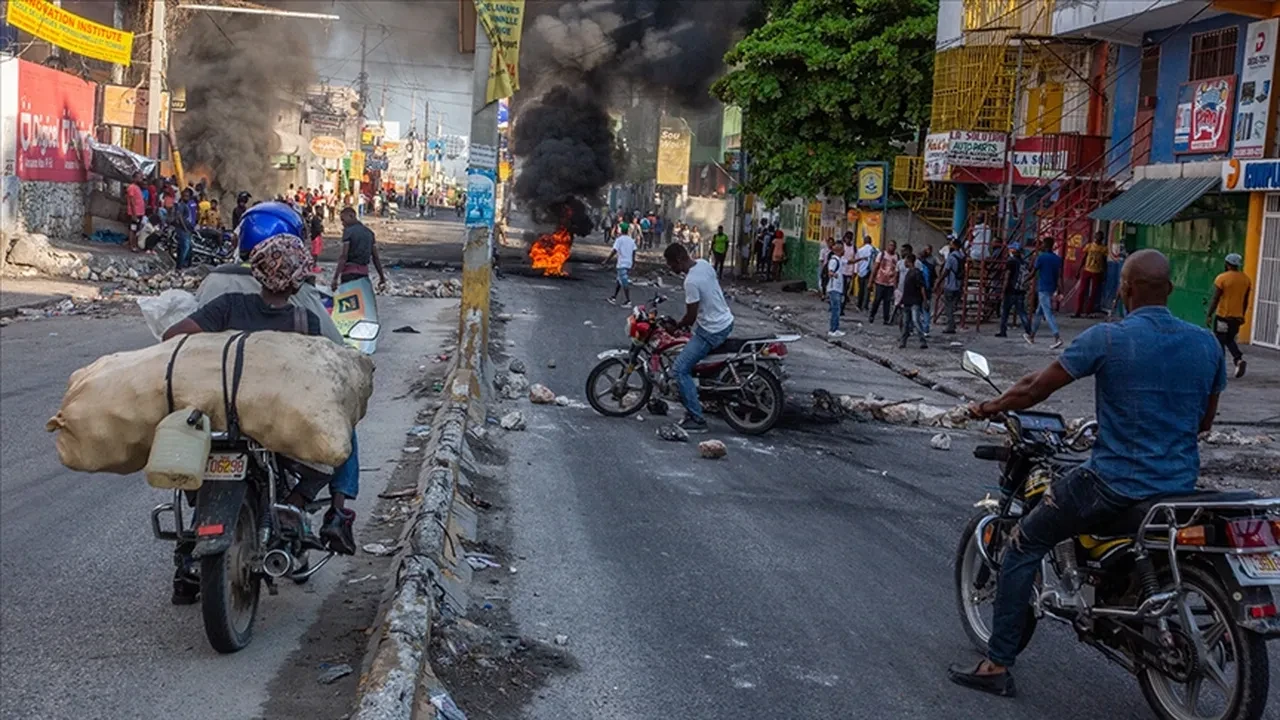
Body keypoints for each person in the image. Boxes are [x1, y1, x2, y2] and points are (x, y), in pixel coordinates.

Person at [948, 249, 1227, 699]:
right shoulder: (1206, 344)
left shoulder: (1108, 338)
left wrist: (989, 405)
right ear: (1170, 290)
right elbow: (1203, 423)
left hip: (1114, 483)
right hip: (1178, 487)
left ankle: (996, 663)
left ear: (1125, 289)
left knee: (1024, 541)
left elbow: (1035, 387)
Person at [162, 209, 361, 605]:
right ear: (297, 279)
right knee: (341, 435)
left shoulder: (227, 302)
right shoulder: (305, 318)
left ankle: (189, 551)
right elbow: (329, 363)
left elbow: (173, 336)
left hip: (222, 414)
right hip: (275, 422)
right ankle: (318, 510)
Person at [663, 242, 735, 433]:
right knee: (688, 356)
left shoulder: (690, 282)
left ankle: (697, 418)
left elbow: (691, 316)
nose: (672, 269)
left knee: (679, 369)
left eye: (672, 264)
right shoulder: (704, 264)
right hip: (724, 320)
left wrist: (676, 326)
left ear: (679, 259)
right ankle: (692, 394)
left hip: (711, 330)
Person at [1206, 252, 1253, 378]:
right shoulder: (1246, 280)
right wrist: (1242, 316)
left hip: (1223, 316)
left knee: (1220, 340)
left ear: (1227, 264)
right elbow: (1245, 301)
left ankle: (1220, 368)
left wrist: (1209, 314)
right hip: (1236, 317)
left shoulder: (1222, 278)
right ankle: (1238, 359)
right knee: (1229, 339)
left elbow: (1216, 298)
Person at [334, 207, 388, 291]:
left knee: (349, 302)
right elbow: (375, 257)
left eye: (343, 220)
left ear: (352, 216)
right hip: (363, 275)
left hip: (349, 274)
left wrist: (335, 278)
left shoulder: (348, 231)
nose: (342, 223)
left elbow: (344, 256)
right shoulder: (369, 233)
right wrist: (381, 277)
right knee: (362, 302)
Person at [1027, 237, 1064, 348]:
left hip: (1043, 287)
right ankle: (1032, 335)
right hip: (1051, 287)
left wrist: (1024, 281)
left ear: (1045, 245)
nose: (1041, 246)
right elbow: (1059, 276)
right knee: (1039, 312)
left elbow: (1033, 272)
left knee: (1048, 313)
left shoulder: (1041, 258)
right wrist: (1061, 289)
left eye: (1042, 244)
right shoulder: (1057, 259)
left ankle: (1057, 336)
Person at [996, 242, 1032, 338]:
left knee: (1005, 312)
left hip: (1010, 290)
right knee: (1022, 312)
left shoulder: (1010, 262)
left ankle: (1003, 331)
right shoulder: (1023, 262)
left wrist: (1003, 291)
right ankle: (1029, 331)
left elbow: (1007, 277)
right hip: (1020, 291)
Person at [1074, 231, 1108, 317]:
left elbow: (1104, 261)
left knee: (1093, 293)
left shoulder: (1103, 249)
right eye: (1096, 236)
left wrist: (1104, 272)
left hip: (1097, 271)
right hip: (1087, 270)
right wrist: (1079, 270)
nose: (1097, 238)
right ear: (1094, 237)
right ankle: (1078, 311)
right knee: (1082, 291)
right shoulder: (1089, 246)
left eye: (1099, 237)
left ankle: (1088, 312)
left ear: (1102, 238)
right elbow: (1084, 258)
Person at [604, 221, 637, 306]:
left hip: (622, 264)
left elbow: (614, 251)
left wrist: (606, 260)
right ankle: (614, 297)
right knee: (619, 280)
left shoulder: (619, 240)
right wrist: (633, 262)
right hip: (628, 263)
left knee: (624, 282)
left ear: (621, 230)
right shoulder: (631, 240)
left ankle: (628, 301)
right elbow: (634, 251)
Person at [898, 253, 927, 349]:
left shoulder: (916, 273)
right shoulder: (908, 273)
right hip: (907, 301)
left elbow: (922, 287)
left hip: (915, 301)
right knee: (906, 323)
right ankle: (903, 341)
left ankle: (922, 340)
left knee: (915, 321)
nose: (904, 263)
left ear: (909, 262)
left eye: (906, 261)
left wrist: (924, 300)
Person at [868, 240, 898, 324]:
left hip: (890, 283)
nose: (891, 247)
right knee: (877, 299)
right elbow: (875, 268)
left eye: (893, 246)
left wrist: (895, 285)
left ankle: (886, 318)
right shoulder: (881, 255)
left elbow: (896, 271)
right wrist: (871, 281)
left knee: (887, 301)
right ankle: (872, 315)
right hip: (880, 281)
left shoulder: (896, 257)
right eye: (890, 245)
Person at [939, 235, 965, 334]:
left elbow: (946, 270)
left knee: (948, 307)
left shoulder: (951, 257)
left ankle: (950, 326)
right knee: (953, 306)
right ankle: (952, 324)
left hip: (950, 284)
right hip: (958, 284)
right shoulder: (962, 256)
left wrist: (939, 281)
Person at [825, 239, 846, 338]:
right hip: (834, 288)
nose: (844, 251)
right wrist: (834, 275)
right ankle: (833, 330)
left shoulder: (839, 260)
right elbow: (830, 272)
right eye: (843, 249)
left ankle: (835, 329)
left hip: (837, 288)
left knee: (837, 309)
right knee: (835, 309)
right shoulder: (834, 261)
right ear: (839, 250)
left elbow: (849, 261)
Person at [853, 235, 878, 311]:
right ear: (871, 241)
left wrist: (855, 271)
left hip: (862, 272)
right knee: (868, 289)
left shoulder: (860, 250)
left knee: (861, 289)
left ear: (864, 241)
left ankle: (859, 304)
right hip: (871, 272)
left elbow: (856, 262)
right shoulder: (876, 250)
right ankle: (866, 305)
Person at [917, 244, 937, 336]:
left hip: (921, 289)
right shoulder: (930, 265)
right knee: (925, 309)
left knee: (921, 309)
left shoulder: (919, 266)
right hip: (927, 289)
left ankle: (922, 328)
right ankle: (925, 328)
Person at [126, 172, 147, 252]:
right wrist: (134, 214)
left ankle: (134, 244)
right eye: (139, 177)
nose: (141, 179)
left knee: (136, 229)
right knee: (133, 229)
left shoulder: (137, 187)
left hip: (140, 213)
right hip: (135, 213)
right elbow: (132, 201)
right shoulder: (132, 187)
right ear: (134, 178)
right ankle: (132, 246)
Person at [839, 232, 858, 314]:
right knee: (841, 290)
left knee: (845, 290)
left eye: (850, 238)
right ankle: (839, 307)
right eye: (847, 238)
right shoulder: (842, 246)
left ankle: (841, 307)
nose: (848, 240)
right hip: (841, 271)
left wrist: (855, 271)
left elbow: (856, 260)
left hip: (849, 272)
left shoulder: (854, 248)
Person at [308, 205, 325, 272]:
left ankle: (314, 265)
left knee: (316, 252)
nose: (322, 211)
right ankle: (313, 266)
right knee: (315, 252)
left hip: (317, 236)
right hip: (315, 237)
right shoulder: (315, 219)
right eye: (320, 210)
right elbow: (318, 228)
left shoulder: (317, 218)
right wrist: (321, 229)